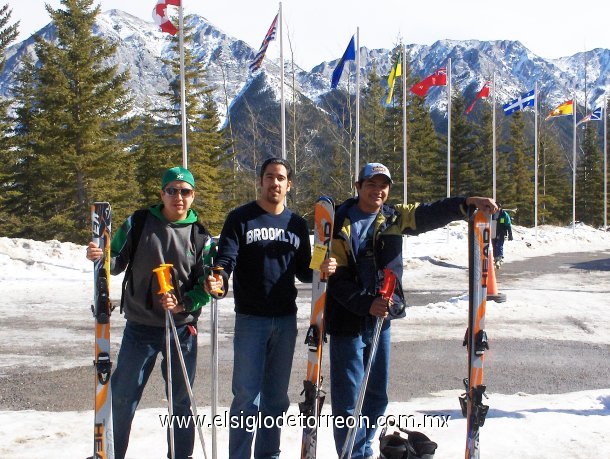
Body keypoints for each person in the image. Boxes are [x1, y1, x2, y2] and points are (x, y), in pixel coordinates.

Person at [325, 163, 498, 459]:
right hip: (347, 321)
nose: (377, 190)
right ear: (358, 186)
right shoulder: (338, 221)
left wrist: (465, 204)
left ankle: (364, 449)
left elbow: (429, 212)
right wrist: (365, 303)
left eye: (383, 185)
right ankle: (350, 454)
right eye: (371, 184)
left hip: (382, 319)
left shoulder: (393, 217)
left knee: (377, 396)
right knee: (348, 401)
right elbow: (334, 280)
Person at [206, 157, 336, 459]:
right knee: (245, 397)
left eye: (280, 178)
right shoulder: (240, 218)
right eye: (269, 177)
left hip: (285, 320)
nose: (274, 183)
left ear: (289, 184)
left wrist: (323, 266)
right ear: (260, 181)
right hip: (251, 319)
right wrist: (219, 278)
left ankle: (268, 455)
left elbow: (305, 270)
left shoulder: (296, 223)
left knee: (276, 399)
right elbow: (227, 259)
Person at [86, 166, 215, 459]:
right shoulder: (141, 221)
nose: (178, 197)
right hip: (141, 327)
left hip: (182, 330)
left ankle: (180, 455)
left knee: (181, 401)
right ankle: (111, 452)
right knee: (122, 396)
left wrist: (185, 304)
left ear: (193, 196)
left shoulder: (200, 236)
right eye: (172, 190)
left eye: (185, 192)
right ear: (162, 193)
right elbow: (115, 261)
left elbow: (206, 284)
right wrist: (100, 256)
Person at [492, 204, 513, 269]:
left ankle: (499, 258)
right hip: (493, 232)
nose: (494, 208)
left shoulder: (504, 214)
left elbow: (508, 224)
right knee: (494, 245)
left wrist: (510, 234)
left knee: (499, 244)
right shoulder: (491, 213)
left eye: (496, 207)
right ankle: (495, 258)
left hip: (501, 232)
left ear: (499, 207)